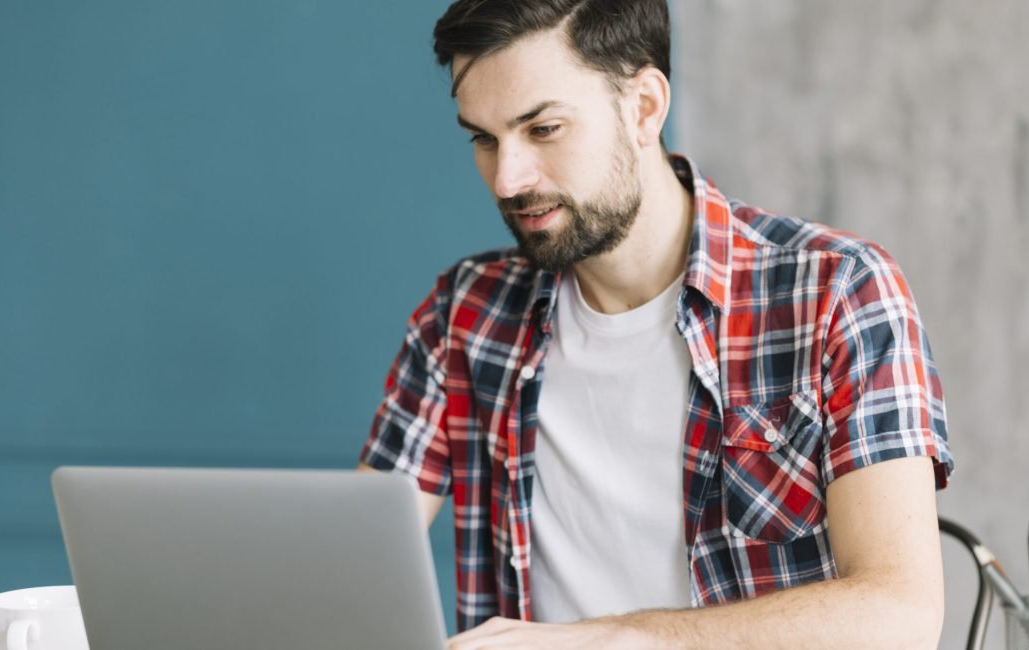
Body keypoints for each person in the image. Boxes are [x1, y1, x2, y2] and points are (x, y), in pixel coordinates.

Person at [358, 0, 955, 647]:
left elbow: (900, 613)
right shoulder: (464, 317)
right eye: (483, 138)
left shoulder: (837, 293)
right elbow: (344, 566)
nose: (507, 179)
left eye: (544, 129)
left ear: (644, 106)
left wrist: (610, 640)